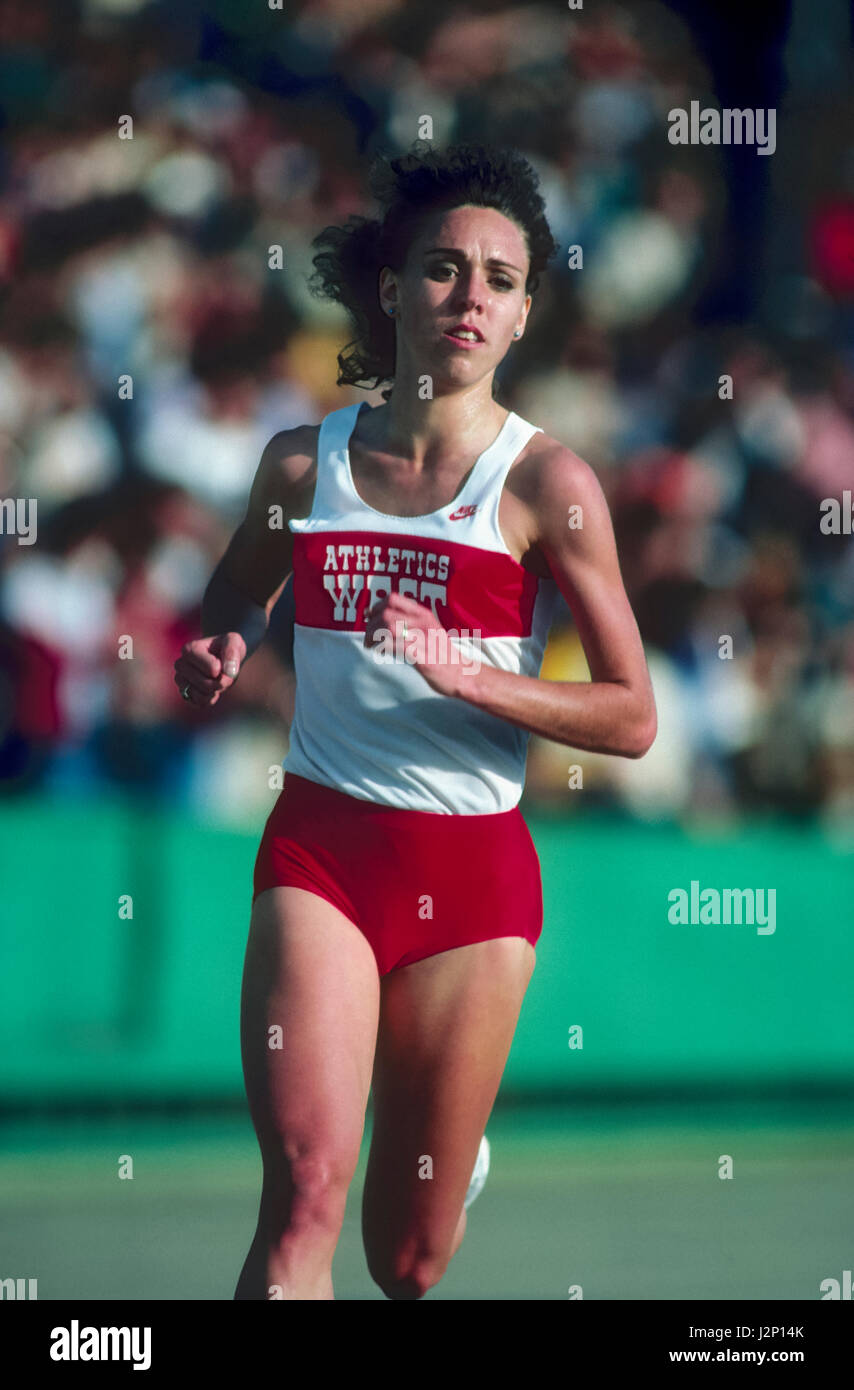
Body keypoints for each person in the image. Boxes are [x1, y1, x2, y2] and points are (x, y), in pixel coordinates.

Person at [173, 143, 656, 1301]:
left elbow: (632, 716)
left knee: (406, 1260)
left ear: (524, 312)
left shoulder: (549, 486)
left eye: (498, 278)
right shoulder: (303, 464)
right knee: (300, 1196)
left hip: (472, 881)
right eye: (443, 269)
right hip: (322, 852)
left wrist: (471, 676)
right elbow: (241, 583)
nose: (468, 297)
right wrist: (225, 640)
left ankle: (447, 1174)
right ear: (390, 288)